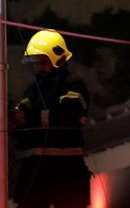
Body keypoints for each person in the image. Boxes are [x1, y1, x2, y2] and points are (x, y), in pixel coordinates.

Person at [9, 28, 91, 208]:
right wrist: (13, 121)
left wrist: (29, 119)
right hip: (35, 173)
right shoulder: (32, 91)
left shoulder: (73, 85)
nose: (38, 68)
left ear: (58, 58)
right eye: (36, 63)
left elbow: (69, 115)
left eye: (43, 62)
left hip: (66, 171)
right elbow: (20, 118)